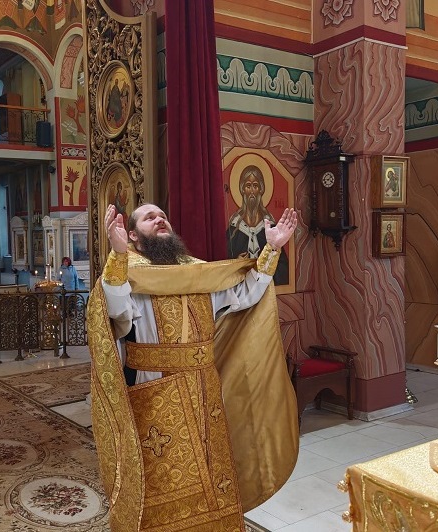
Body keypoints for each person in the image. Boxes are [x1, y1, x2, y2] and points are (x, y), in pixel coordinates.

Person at [88, 203, 299, 531]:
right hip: (154, 390)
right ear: (133, 235)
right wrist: (118, 255)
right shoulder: (130, 272)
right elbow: (115, 311)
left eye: (163, 216)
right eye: (149, 218)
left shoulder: (199, 272)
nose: (160, 220)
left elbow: (244, 294)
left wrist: (271, 248)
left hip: (204, 391)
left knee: (211, 475)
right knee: (161, 480)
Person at [226, 165, 290, 285]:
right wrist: (237, 263)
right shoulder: (234, 228)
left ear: (261, 190)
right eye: (248, 186)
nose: (251, 192)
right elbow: (224, 265)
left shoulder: (270, 226)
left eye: (255, 186)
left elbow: (283, 267)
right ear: (242, 190)